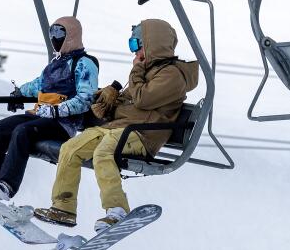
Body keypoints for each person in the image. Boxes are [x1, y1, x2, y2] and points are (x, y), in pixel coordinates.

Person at [34, 19, 194, 230]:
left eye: (136, 45)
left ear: (152, 44)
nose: (134, 52)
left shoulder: (172, 75)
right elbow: (130, 102)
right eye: (132, 46)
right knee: (70, 149)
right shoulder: (148, 71)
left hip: (142, 135)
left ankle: (117, 210)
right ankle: (63, 208)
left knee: (103, 153)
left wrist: (136, 71)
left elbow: (144, 100)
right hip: (119, 128)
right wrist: (109, 99)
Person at [0, 16, 98, 202]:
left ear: (72, 35)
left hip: (61, 124)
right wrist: (19, 93)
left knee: (22, 132)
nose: (54, 37)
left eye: (59, 32)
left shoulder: (84, 63)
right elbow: (38, 84)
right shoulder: (55, 63)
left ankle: (6, 186)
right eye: (52, 32)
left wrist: (56, 110)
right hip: (39, 116)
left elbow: (85, 99)